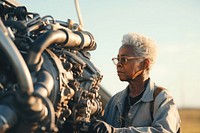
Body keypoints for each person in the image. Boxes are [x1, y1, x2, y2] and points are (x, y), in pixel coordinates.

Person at [89, 32, 181, 133]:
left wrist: (115, 132)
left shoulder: (162, 98)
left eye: (124, 59)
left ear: (145, 64)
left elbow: (164, 131)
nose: (118, 64)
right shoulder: (114, 101)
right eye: (118, 59)